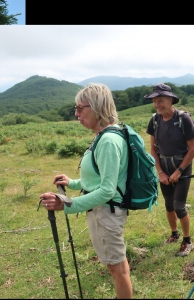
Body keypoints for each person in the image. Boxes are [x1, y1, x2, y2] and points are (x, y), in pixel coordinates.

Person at [39, 83, 133, 299]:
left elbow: (107, 190)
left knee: (117, 270)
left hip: (107, 213)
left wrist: (68, 203)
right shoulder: (104, 135)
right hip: (104, 212)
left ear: (98, 107)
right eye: (76, 108)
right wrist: (72, 183)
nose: (76, 113)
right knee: (118, 267)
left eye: (81, 108)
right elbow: (99, 178)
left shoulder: (108, 140)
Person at [145, 83, 194, 256]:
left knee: (179, 206)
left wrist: (179, 171)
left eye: (161, 101)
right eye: (155, 101)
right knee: (168, 204)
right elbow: (153, 149)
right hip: (163, 167)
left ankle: (188, 241)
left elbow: (192, 148)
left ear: (170, 100)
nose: (157, 105)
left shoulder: (183, 119)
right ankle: (174, 234)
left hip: (183, 167)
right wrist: (160, 172)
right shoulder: (155, 120)